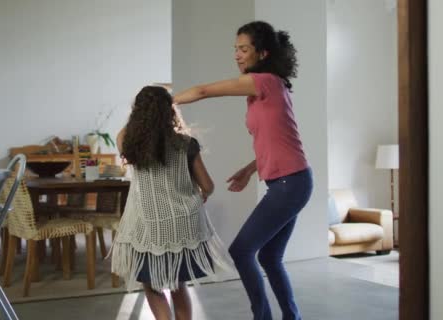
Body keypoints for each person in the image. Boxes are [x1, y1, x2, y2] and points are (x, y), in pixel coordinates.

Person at [172, 21, 313, 320]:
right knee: (270, 257)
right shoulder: (270, 87)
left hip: (290, 184)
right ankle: (292, 317)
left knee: (242, 251)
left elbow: (203, 90)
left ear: (262, 53)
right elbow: (281, 140)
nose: (236, 55)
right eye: (235, 49)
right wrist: (251, 169)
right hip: (290, 181)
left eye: (243, 49)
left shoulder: (263, 81)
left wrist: (166, 103)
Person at [111, 85, 231, 320]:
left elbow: (128, 131)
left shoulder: (128, 142)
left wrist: (141, 111)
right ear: (169, 111)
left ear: (137, 112)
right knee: (178, 286)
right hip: (183, 227)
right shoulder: (186, 144)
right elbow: (208, 186)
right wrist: (197, 190)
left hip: (149, 227)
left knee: (152, 286)